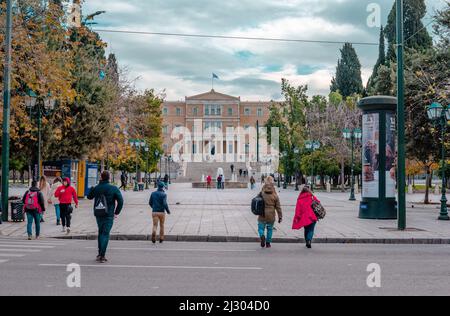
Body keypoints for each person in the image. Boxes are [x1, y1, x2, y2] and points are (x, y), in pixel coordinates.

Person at [87, 171, 124, 263]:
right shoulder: (113, 188)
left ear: (101, 177)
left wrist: (92, 189)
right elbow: (121, 201)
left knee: (100, 232)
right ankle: (102, 255)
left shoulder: (97, 187)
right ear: (109, 178)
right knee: (105, 233)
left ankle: (99, 253)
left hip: (98, 213)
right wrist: (116, 212)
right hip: (109, 214)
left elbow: (89, 197)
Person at [258, 176, 282, 248]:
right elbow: (278, 207)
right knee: (270, 229)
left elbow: (256, 200)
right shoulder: (275, 195)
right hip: (271, 214)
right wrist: (280, 216)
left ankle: (262, 236)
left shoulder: (262, 193)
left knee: (261, 228)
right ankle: (268, 243)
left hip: (262, 214)